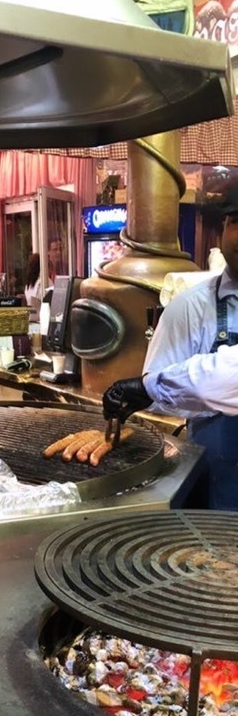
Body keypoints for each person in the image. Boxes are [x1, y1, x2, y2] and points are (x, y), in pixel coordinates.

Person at [102, 184, 238, 511]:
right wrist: (152, 390)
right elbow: (160, 401)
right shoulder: (189, 308)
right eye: (236, 222)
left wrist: (150, 387)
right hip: (220, 495)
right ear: (221, 230)